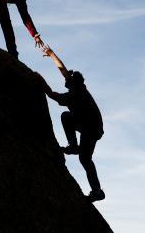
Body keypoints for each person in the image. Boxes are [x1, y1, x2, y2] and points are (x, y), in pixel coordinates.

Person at [38, 45, 105, 202]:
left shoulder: (74, 96)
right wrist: (51, 54)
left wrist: (40, 81)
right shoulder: (79, 87)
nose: (66, 81)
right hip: (92, 126)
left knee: (66, 117)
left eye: (68, 80)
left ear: (73, 84)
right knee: (85, 159)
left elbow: (51, 95)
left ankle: (74, 146)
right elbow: (63, 70)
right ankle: (97, 191)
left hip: (91, 128)